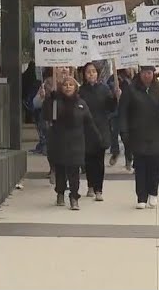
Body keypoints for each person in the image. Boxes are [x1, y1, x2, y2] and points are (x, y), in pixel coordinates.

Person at [119, 66, 159, 209]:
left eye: (149, 73)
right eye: (144, 73)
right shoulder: (131, 90)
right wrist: (124, 131)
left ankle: (153, 193)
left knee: (155, 166)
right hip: (138, 133)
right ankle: (141, 197)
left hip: (156, 133)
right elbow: (123, 111)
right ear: (140, 73)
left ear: (153, 73)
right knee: (141, 166)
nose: (147, 76)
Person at [46, 74, 101, 210]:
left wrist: (98, 138)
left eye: (71, 85)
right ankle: (60, 192)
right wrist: (48, 99)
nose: (68, 87)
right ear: (61, 87)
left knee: (74, 172)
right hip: (59, 141)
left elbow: (89, 123)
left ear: (76, 87)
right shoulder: (55, 101)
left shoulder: (81, 104)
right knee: (60, 170)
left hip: (76, 143)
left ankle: (74, 197)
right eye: (65, 85)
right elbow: (46, 116)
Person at [79, 62, 120, 201]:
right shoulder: (81, 91)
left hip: (101, 128)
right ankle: (90, 185)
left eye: (93, 71)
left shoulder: (104, 89)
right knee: (88, 160)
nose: (91, 74)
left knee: (99, 160)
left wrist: (115, 97)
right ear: (84, 75)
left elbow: (111, 107)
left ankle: (99, 189)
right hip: (86, 129)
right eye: (88, 72)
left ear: (97, 74)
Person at [107, 69, 134, 170]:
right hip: (115, 112)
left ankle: (128, 158)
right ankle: (115, 152)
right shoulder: (113, 78)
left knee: (126, 137)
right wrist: (114, 94)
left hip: (126, 112)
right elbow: (108, 93)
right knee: (113, 134)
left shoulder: (130, 79)